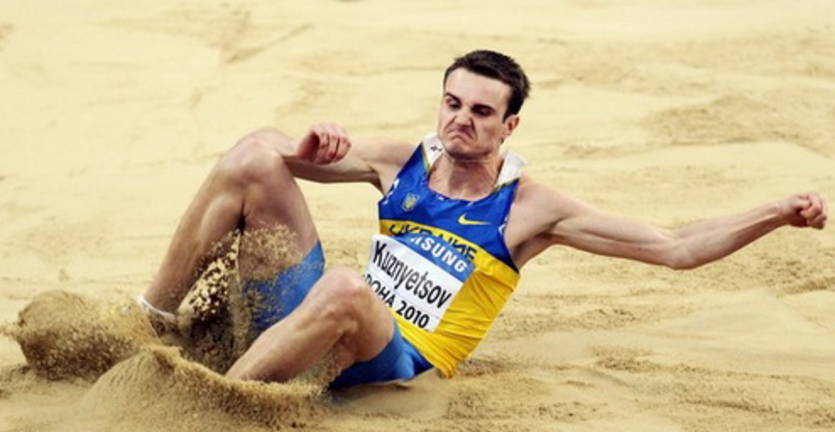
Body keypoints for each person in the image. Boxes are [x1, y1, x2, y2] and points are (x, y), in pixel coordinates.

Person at [137, 50, 828, 389]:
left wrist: (775, 213)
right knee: (253, 158)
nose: (460, 120)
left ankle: (218, 399)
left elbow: (675, 247)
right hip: (309, 321)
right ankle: (151, 320)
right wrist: (303, 147)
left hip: (388, 359)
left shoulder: (532, 209)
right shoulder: (402, 161)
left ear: (509, 125)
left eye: (480, 111)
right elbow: (264, 155)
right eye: (452, 103)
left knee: (347, 286)